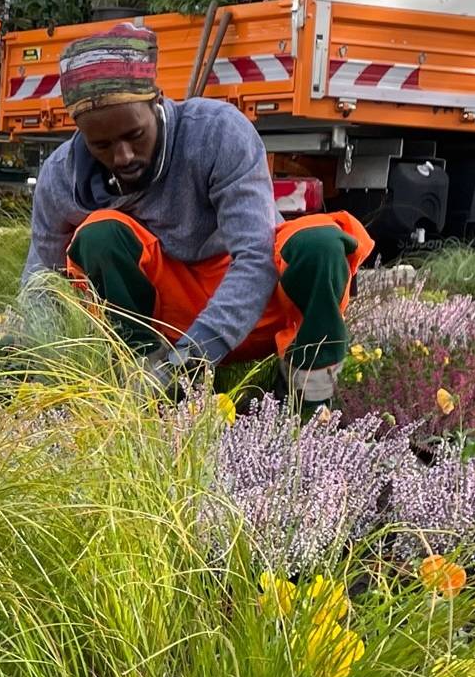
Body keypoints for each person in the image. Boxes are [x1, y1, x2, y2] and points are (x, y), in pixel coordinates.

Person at [20, 24, 373, 416]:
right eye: (101, 145)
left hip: (256, 305)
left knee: (320, 244)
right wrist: (28, 375)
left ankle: (305, 408)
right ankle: (149, 399)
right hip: (166, 317)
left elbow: (256, 257)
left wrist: (193, 354)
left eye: (135, 135)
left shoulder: (216, 133)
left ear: (157, 101)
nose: (122, 156)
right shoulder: (61, 178)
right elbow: (41, 284)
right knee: (99, 235)